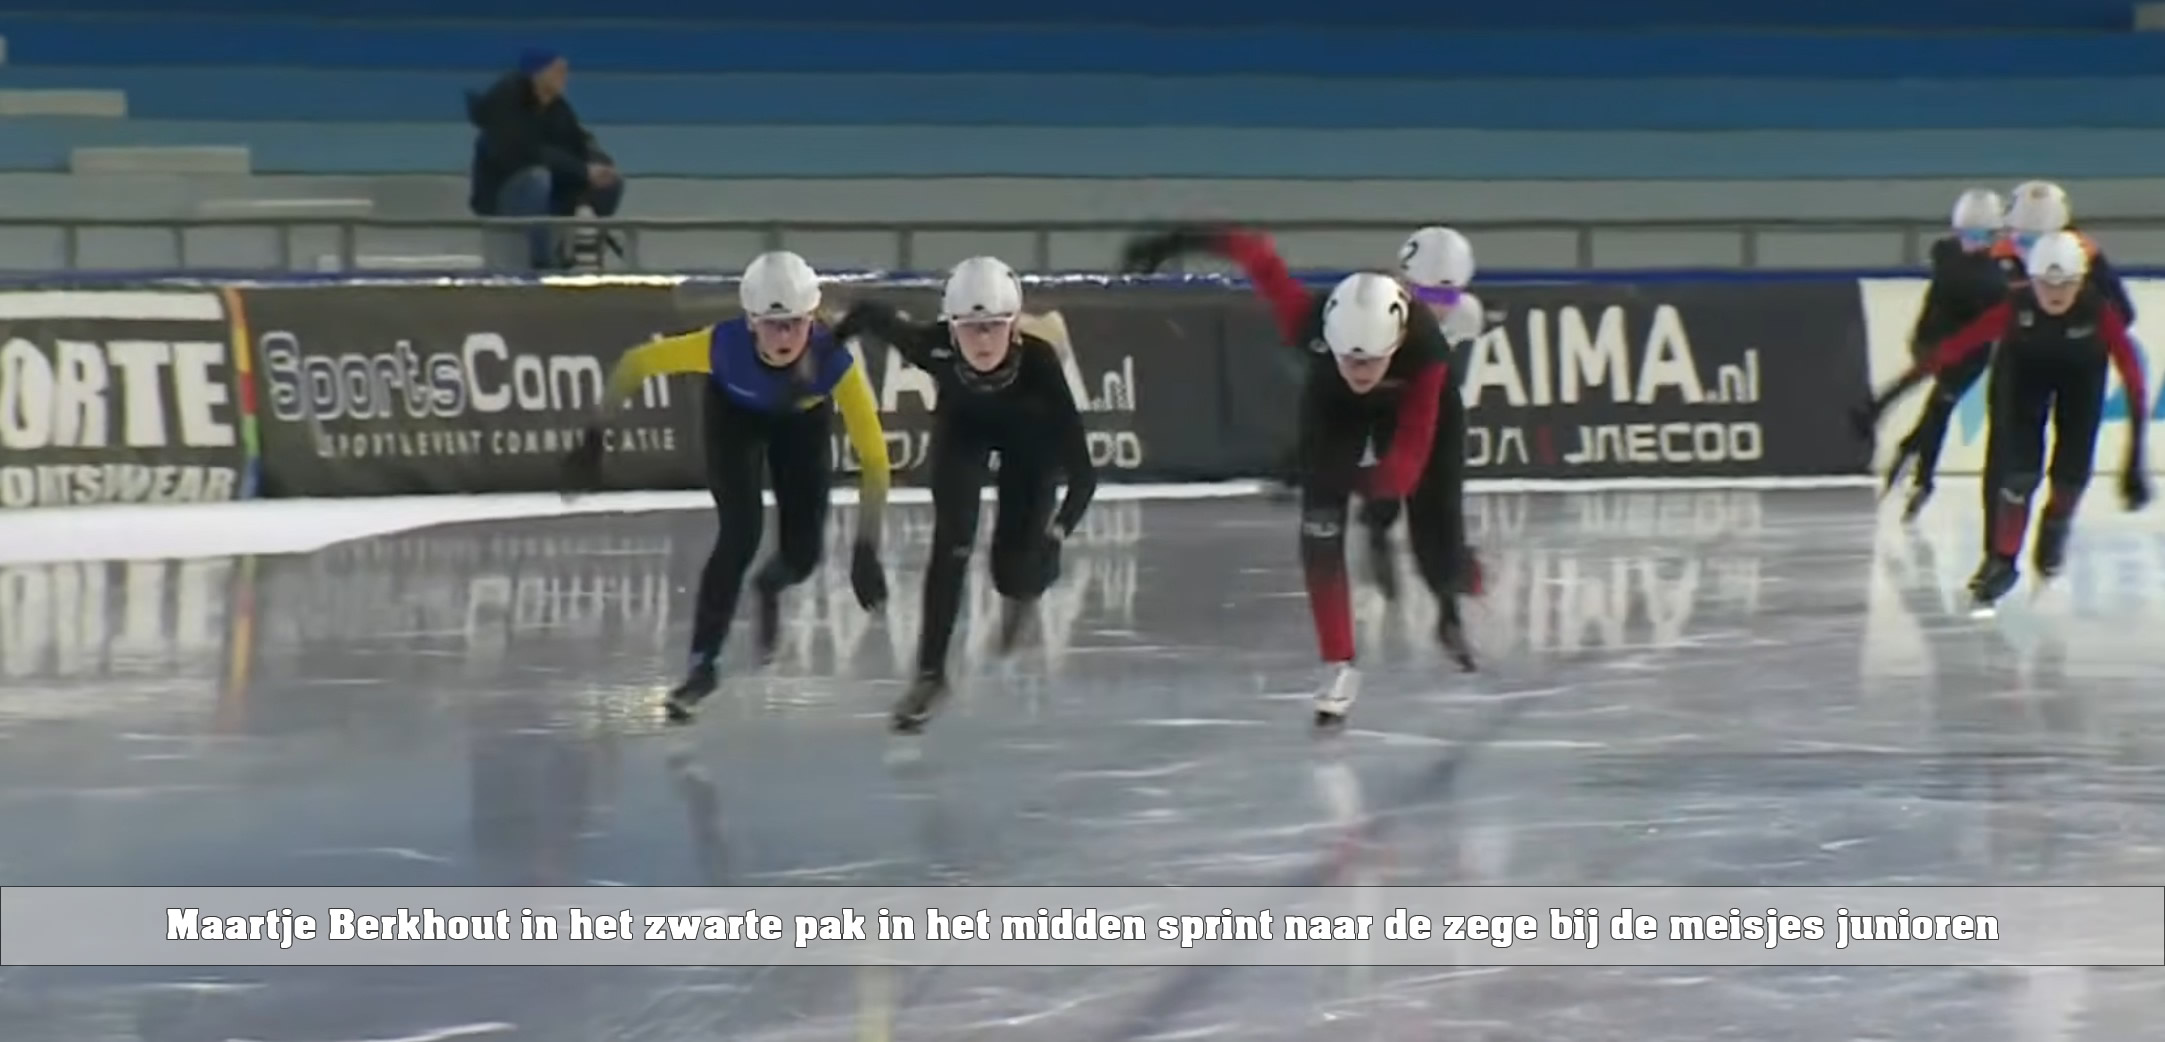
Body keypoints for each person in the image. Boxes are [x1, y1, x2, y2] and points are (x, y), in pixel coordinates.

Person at [1121, 225, 1477, 727]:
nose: (1360, 370)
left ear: (1395, 342)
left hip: (1412, 405)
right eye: (1349, 357)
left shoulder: (1426, 349)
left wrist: (1368, 484)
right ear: (1329, 340)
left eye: (1371, 360)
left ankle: (1448, 594)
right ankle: (1339, 664)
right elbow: (1256, 254)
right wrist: (1171, 241)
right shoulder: (1307, 320)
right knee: (1319, 531)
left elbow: (1407, 461)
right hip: (1334, 411)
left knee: (1434, 515)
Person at [560, 250, 892, 720]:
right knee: (739, 535)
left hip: (802, 426)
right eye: (773, 326)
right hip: (733, 419)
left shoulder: (833, 361)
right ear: (751, 322)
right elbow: (636, 363)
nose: (785, 338)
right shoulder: (721, 346)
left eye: (795, 325)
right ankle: (702, 666)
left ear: (812, 319)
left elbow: (875, 458)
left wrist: (866, 545)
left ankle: (769, 586)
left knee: (803, 556)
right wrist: (596, 432)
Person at [830, 256, 1099, 733]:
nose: (983, 341)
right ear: (951, 329)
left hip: (1028, 448)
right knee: (951, 543)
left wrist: (1056, 535)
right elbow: (869, 314)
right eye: (971, 329)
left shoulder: (1039, 364)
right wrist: (825, 349)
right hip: (963, 433)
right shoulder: (929, 345)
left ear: (1014, 327)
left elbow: (1083, 474)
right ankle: (930, 676)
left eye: (994, 327)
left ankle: (1022, 595)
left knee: (1015, 571)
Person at [1857, 231, 2151, 614]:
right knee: (2018, 477)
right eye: (2046, 283)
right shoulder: (2017, 305)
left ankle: (2056, 526)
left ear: (2081, 281)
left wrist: (2134, 457)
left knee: (2070, 476)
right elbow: (1951, 351)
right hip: (2025, 380)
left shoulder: (2098, 311)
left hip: (2082, 385)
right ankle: (2004, 560)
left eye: (2065, 283)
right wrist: (1885, 400)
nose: (2055, 293)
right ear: (2031, 279)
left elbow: (2134, 381)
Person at [1883, 188, 2009, 522]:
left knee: (1940, 408)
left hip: (1971, 352)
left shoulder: (1995, 268)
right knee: (1938, 408)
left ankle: (1919, 471)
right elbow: (1946, 294)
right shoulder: (1951, 255)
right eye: (1967, 235)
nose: (1974, 243)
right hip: (1937, 343)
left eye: (1982, 236)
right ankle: (1916, 463)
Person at [467, 48, 624, 271]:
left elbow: (579, 143)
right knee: (537, 179)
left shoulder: (558, 109)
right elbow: (528, 153)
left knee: (609, 182)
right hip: (502, 194)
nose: (565, 77)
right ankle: (542, 261)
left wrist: (600, 166)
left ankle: (584, 244)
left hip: (550, 188)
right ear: (538, 74)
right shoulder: (506, 105)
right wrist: (583, 171)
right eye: (558, 71)